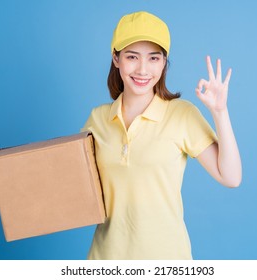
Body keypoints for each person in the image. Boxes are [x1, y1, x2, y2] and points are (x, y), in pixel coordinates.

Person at [82, 11, 242, 260]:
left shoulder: (182, 114)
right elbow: (73, 191)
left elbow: (231, 177)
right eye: (132, 57)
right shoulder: (98, 119)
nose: (143, 69)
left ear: (164, 62)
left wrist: (220, 112)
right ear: (116, 59)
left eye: (154, 58)